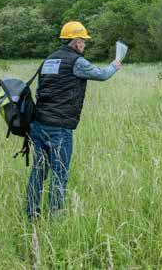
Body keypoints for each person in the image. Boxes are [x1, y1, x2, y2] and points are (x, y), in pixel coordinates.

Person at [26, 21, 121, 220]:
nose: (84, 45)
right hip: (59, 127)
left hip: (38, 124)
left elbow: (39, 91)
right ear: (77, 42)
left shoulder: (49, 60)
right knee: (59, 173)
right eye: (84, 41)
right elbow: (101, 75)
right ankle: (56, 217)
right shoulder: (76, 61)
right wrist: (115, 65)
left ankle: (31, 214)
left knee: (38, 170)